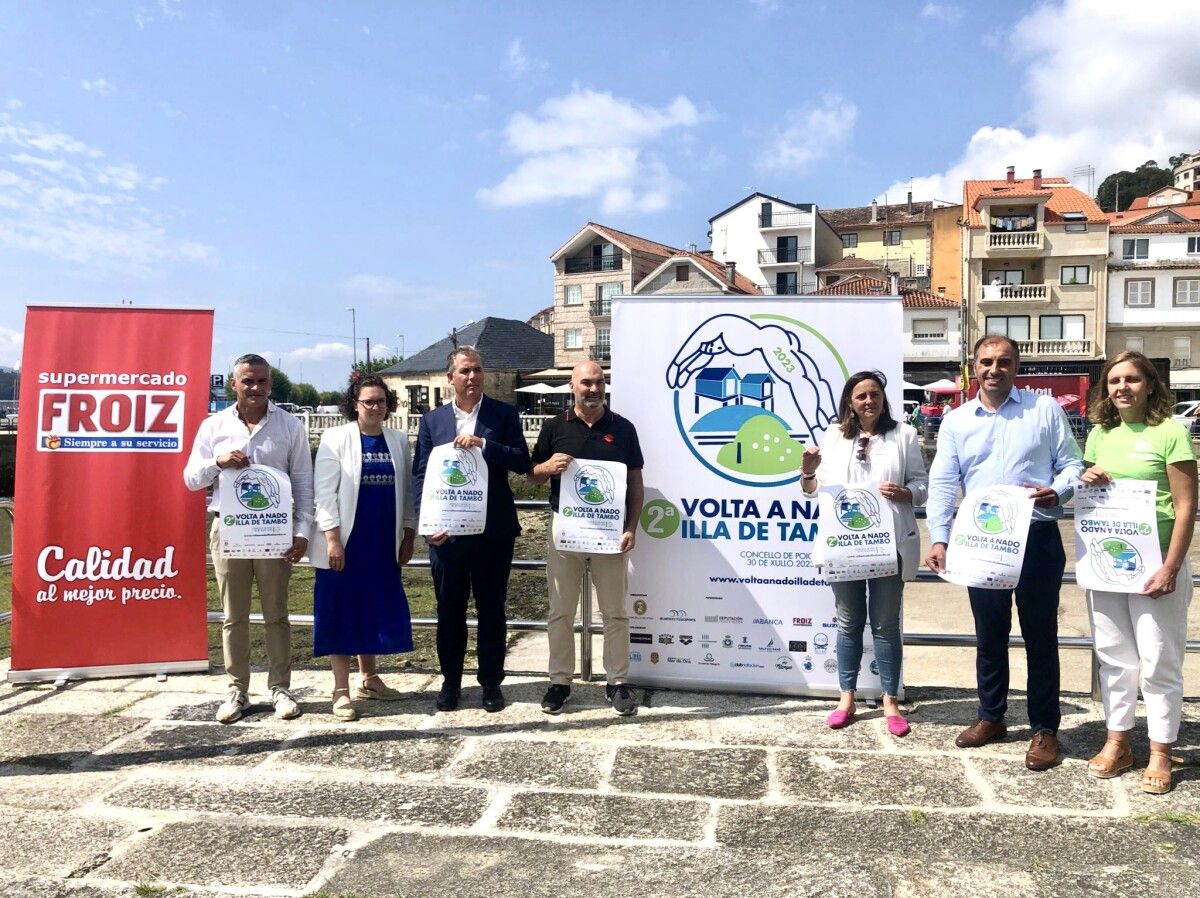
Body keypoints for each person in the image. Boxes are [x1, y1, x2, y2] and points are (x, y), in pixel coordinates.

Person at [924, 334, 1082, 770]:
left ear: (1017, 367)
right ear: (973, 366)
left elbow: (1073, 462)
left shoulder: (1044, 410)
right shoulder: (956, 420)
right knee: (989, 634)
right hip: (981, 542)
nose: (995, 369)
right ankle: (991, 716)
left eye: (1005, 362)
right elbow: (942, 482)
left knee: (1040, 636)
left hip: (1036, 537)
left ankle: (1045, 728)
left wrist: (1059, 489)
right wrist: (939, 536)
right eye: (987, 362)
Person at [1079, 351, 1196, 794]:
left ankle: (1162, 750)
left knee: (1159, 660)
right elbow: (1088, 493)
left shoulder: (1171, 433)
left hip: (1156, 564)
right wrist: (1087, 477)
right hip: (1108, 562)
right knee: (1114, 656)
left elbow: (1186, 506)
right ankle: (1118, 741)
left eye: (1131, 379)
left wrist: (1171, 566)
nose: (1121, 388)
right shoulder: (1099, 435)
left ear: (1150, 384)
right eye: (1113, 381)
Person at [184, 354, 313, 724]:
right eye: (247, 381)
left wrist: (302, 531)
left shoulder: (289, 425)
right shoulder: (214, 426)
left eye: (261, 381)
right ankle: (237, 690)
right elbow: (191, 479)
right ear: (234, 385)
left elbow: (303, 482)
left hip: (275, 531)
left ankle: (281, 688)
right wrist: (217, 462)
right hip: (229, 528)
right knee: (233, 616)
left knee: (277, 614)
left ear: (270, 384)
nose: (255, 388)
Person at [801, 371, 928, 736]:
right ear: (850, 402)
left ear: (883, 399)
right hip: (845, 546)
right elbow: (813, 490)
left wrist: (907, 493)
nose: (869, 401)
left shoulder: (903, 435)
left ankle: (890, 700)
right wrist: (807, 472)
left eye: (875, 394)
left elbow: (923, 485)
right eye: (861, 396)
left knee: (886, 625)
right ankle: (846, 698)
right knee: (848, 622)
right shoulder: (833, 436)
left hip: (889, 544)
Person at [412, 347, 531, 713]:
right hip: (447, 535)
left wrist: (484, 444)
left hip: (492, 532)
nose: (472, 377)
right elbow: (420, 475)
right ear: (451, 378)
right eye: (465, 371)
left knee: (492, 610)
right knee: (449, 609)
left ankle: (491, 683)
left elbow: (522, 461)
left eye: (478, 370)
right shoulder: (432, 421)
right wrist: (426, 525)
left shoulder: (503, 414)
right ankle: (450, 682)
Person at [530, 361, 644, 716]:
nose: (593, 389)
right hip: (566, 531)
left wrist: (631, 527)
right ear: (572, 386)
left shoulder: (623, 429)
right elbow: (531, 474)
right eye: (586, 383)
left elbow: (635, 483)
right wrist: (547, 468)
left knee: (615, 613)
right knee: (560, 611)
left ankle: (617, 683)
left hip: (610, 534)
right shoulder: (553, 427)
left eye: (599, 383)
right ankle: (560, 682)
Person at [308, 374, 416, 721]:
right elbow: (324, 493)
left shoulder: (398, 440)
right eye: (368, 401)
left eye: (381, 401)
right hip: (346, 541)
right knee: (340, 608)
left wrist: (409, 534)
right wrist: (332, 539)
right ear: (354, 403)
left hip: (382, 541)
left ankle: (369, 678)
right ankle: (340, 689)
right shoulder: (335, 438)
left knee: (373, 606)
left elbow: (407, 491)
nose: (375, 407)